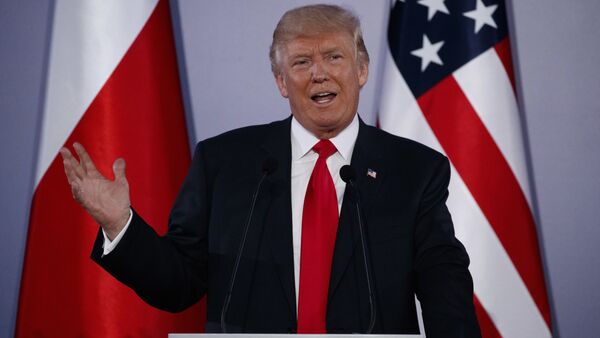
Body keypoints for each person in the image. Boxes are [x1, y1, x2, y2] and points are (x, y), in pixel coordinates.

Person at [60, 4, 481, 337]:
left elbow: (444, 283)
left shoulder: (415, 169)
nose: (319, 72)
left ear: (362, 70)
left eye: (334, 56)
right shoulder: (224, 163)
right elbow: (178, 284)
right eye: (300, 62)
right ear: (281, 81)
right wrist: (121, 225)